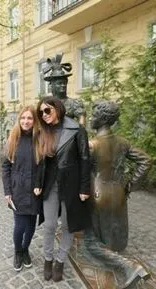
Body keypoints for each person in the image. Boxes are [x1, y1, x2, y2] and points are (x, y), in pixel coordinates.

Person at [84, 100, 151, 288]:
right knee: (113, 229)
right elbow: (146, 161)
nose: (90, 117)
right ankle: (114, 251)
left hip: (97, 194)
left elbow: (81, 174)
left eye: (94, 114)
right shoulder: (123, 142)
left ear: (103, 119)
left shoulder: (92, 145)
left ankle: (130, 267)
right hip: (118, 192)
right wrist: (130, 185)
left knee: (90, 241)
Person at [34, 96, 91, 282]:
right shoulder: (43, 131)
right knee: (50, 225)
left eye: (47, 110)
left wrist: (84, 187)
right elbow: (40, 162)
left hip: (72, 185)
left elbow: (84, 159)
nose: (44, 115)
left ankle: (60, 261)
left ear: (57, 108)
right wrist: (37, 183)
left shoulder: (76, 130)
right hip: (51, 186)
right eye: (41, 112)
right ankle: (48, 260)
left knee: (68, 225)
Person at [2, 105, 42, 272]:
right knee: (19, 226)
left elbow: (44, 166)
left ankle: (26, 249)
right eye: (23, 118)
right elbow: (5, 167)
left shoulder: (40, 139)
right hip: (18, 190)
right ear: (19, 120)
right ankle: (18, 251)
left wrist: (40, 184)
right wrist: (7, 192)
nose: (26, 121)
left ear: (34, 121)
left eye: (29, 118)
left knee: (31, 226)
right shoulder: (12, 139)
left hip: (35, 192)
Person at [43, 53, 86, 125]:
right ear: (52, 85)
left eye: (64, 83)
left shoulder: (74, 104)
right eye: (59, 83)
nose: (63, 85)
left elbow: (82, 122)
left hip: (69, 135)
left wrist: (79, 133)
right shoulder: (46, 104)